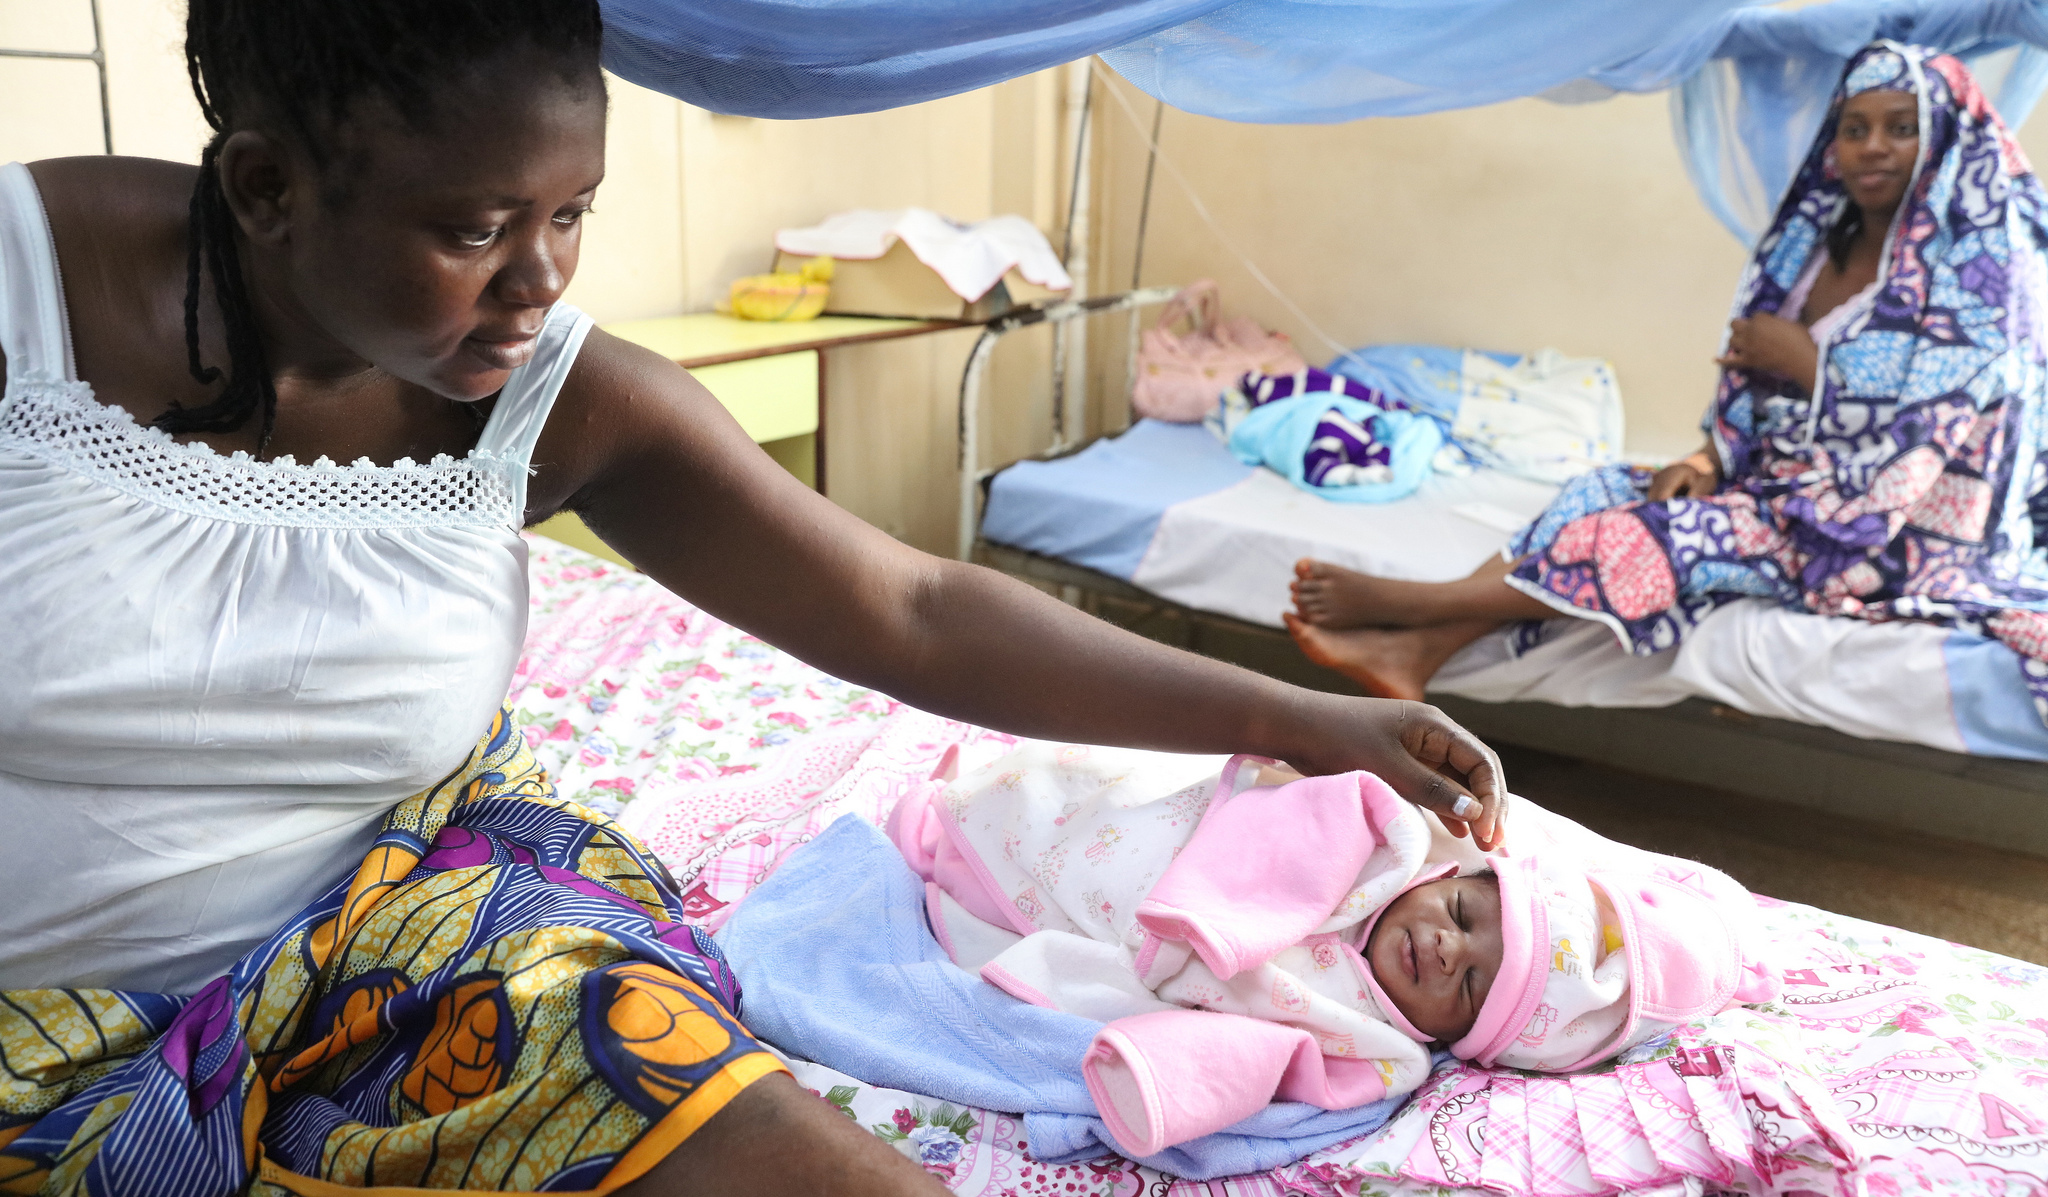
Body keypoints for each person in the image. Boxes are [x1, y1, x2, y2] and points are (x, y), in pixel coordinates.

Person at [0, 1, 1511, 1193]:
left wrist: (1299, 715)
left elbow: (911, 606)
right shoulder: (25, 294)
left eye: (571, 214)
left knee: (705, 1105)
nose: (538, 282)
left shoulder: (554, 398)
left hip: (398, 937)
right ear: (267, 186)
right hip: (31, 1022)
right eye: (474, 231)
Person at [1283, 42, 2048, 715]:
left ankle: (1414, 608)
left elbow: (1951, 425)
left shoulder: (1981, 274)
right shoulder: (1809, 249)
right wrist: (1707, 460)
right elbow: (1750, 394)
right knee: (1601, 490)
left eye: (1901, 126)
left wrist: (1807, 362)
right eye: (1855, 128)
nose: (1873, 147)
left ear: (1944, 138)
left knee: (1653, 537)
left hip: (1886, 532)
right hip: (1779, 485)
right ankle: (1415, 655)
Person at [891, 743, 1775, 1158]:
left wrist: (1162, 1075)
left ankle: (960, 872)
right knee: (1054, 805)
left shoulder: (1379, 1049)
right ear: (1458, 873)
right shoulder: (1387, 842)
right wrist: (1227, 914)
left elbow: (1262, 1059)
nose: (1441, 945)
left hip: (1098, 929)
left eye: (1469, 985)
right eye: (1466, 911)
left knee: (992, 918)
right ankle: (960, 819)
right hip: (1130, 847)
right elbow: (1303, 801)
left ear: (1458, 1040)